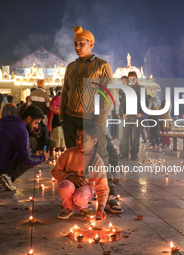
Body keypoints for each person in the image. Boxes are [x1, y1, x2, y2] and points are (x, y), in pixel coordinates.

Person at [60, 25, 122, 214]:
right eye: (76, 44)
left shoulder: (102, 65)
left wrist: (100, 120)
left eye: (82, 43)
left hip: (94, 119)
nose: (78, 46)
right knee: (73, 159)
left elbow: (109, 94)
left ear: (91, 44)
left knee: (101, 156)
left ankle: (109, 197)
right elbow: (65, 93)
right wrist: (63, 118)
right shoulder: (71, 67)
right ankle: (76, 201)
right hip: (72, 118)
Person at [0, 105, 49, 191]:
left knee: (26, 153)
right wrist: (42, 158)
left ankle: (1, 180)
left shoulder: (6, 122)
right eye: (36, 122)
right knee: (29, 160)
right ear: (29, 119)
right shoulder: (21, 129)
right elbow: (26, 159)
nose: (36, 126)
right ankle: (7, 177)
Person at [51, 124, 109, 220]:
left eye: (83, 138)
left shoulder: (97, 161)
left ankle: (82, 207)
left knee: (81, 195)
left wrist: (101, 207)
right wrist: (70, 177)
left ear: (94, 141)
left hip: (85, 189)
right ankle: (67, 207)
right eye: (77, 137)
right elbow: (55, 171)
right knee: (66, 186)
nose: (78, 141)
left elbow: (102, 187)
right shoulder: (68, 154)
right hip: (67, 184)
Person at [120, 71, 146, 161]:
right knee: (125, 135)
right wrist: (123, 113)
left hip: (137, 116)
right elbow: (124, 103)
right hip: (128, 116)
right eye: (130, 79)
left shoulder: (141, 89)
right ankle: (124, 154)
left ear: (136, 78)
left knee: (136, 135)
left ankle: (134, 154)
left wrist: (141, 112)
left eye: (133, 79)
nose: (132, 81)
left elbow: (145, 102)